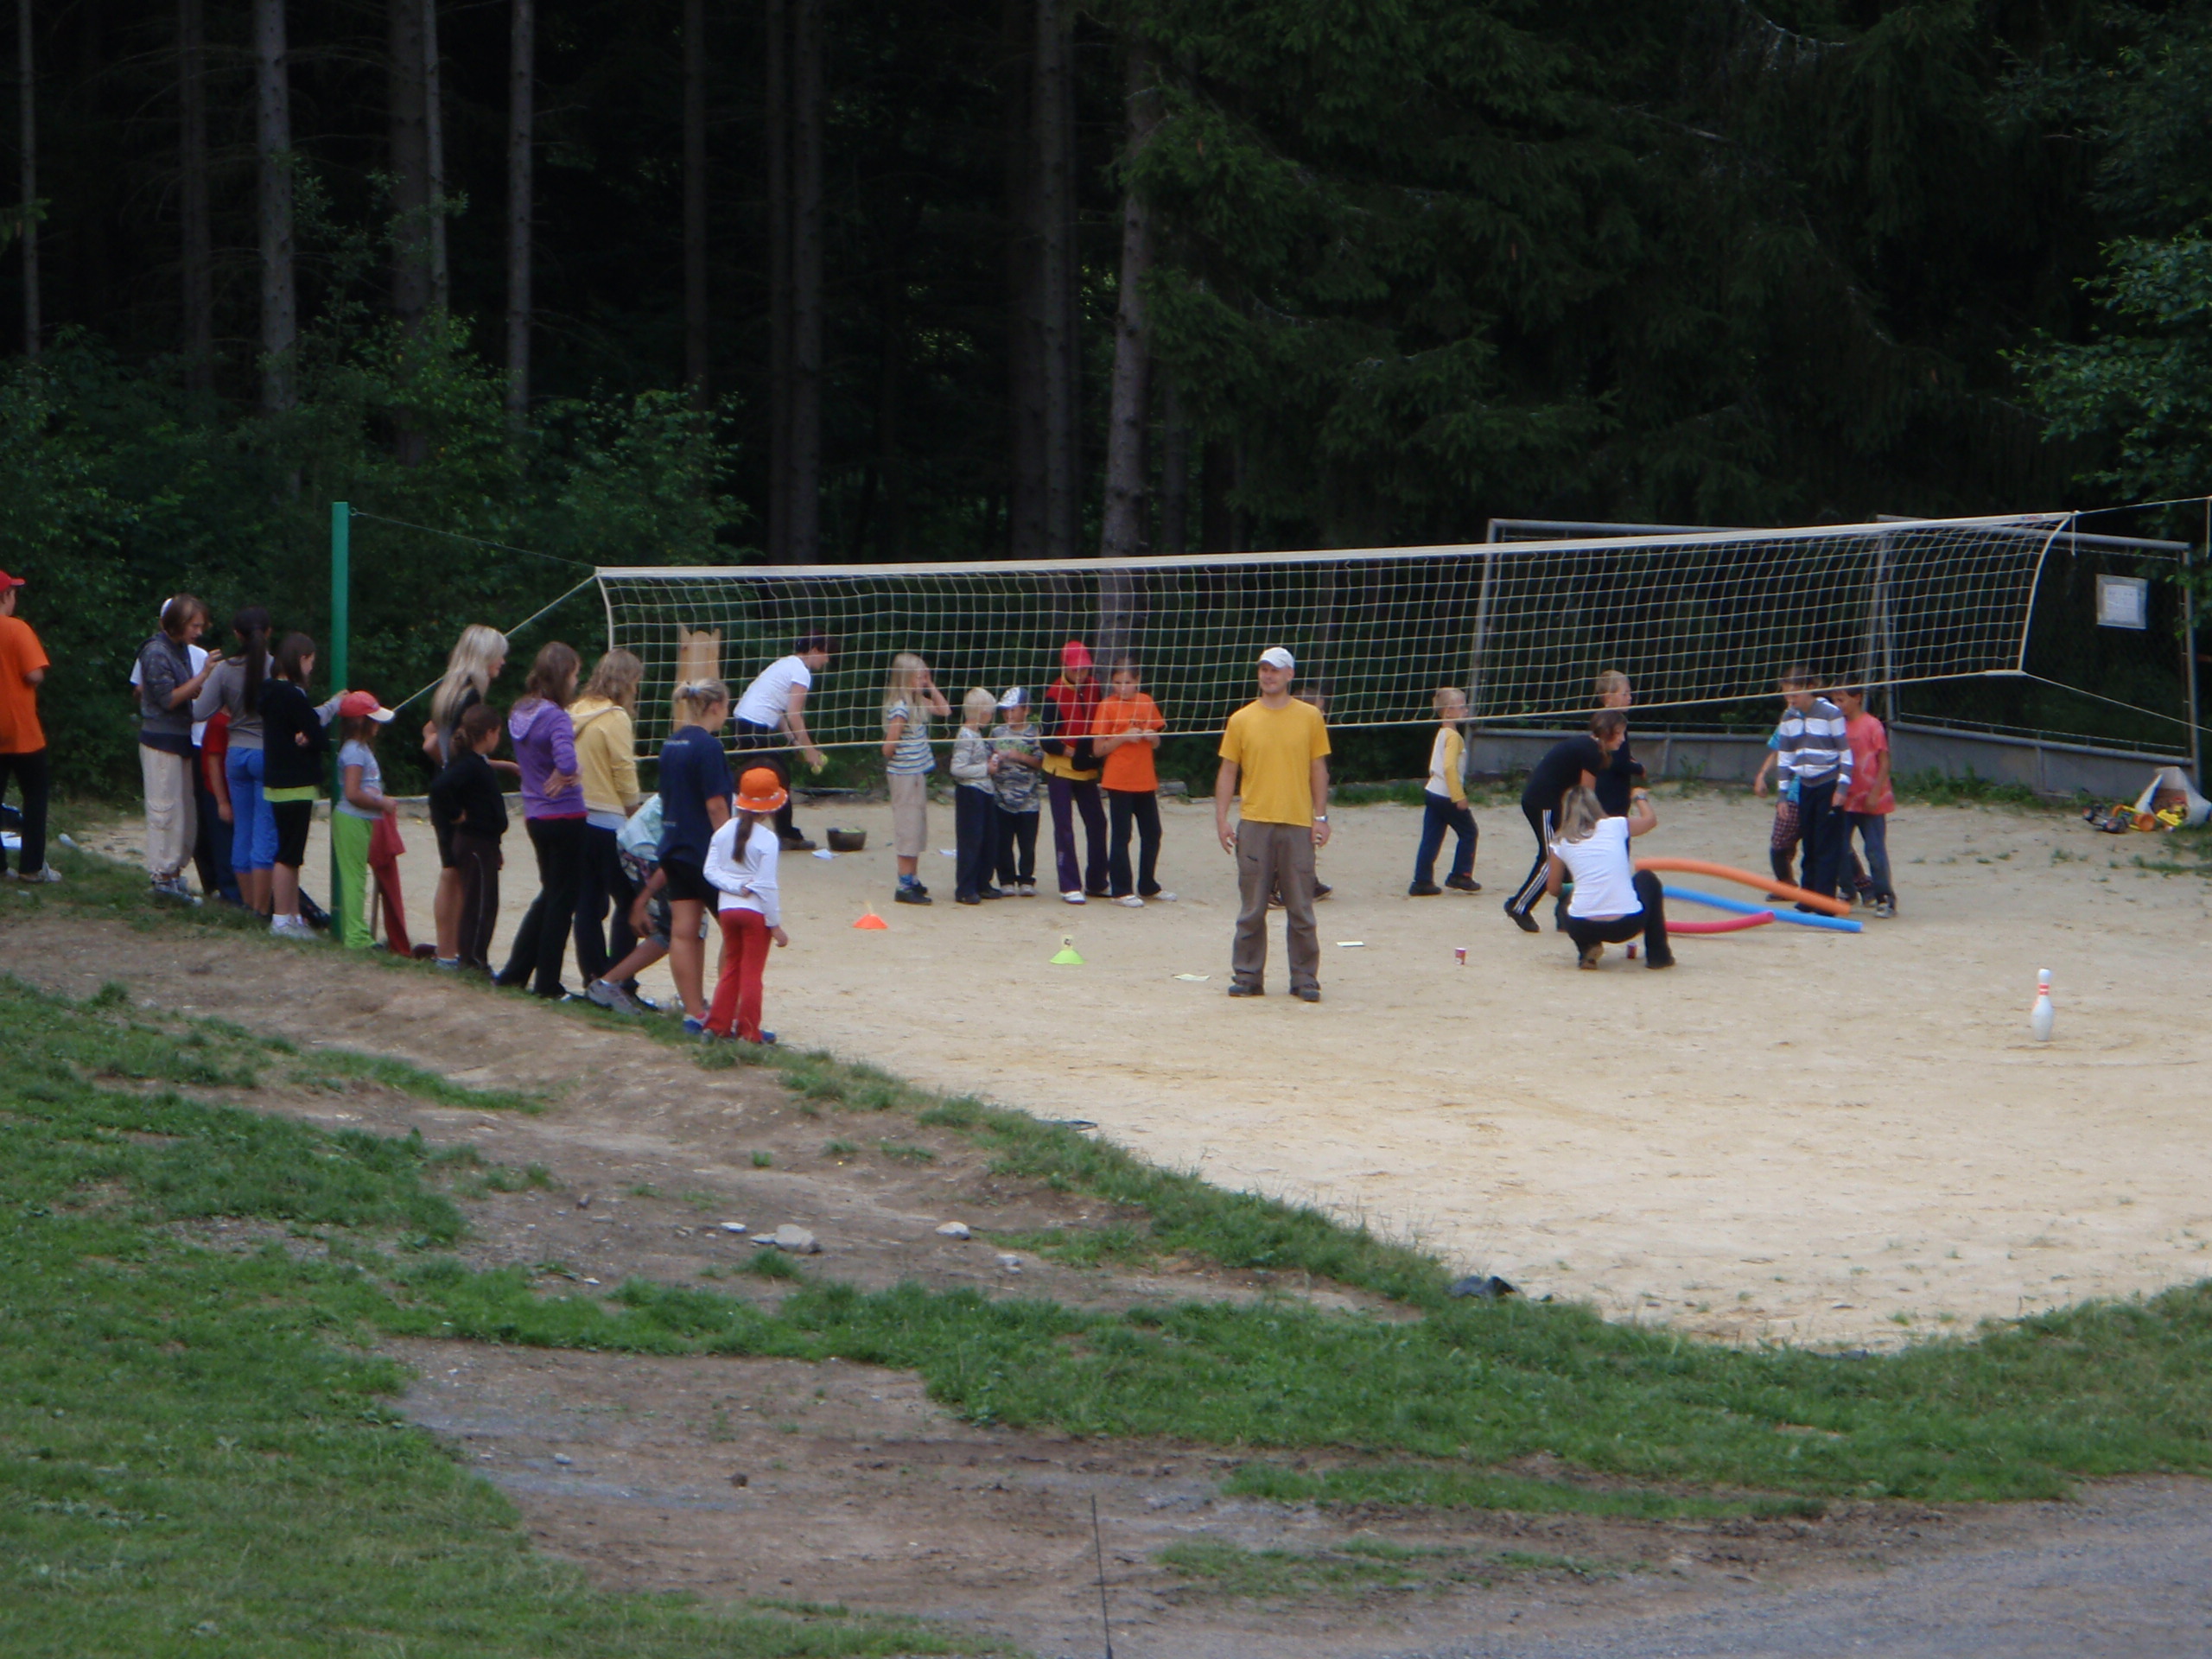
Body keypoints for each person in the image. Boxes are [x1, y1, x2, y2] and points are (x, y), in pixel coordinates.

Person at [1214, 646, 1332, 1001]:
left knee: (1301, 908)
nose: (1268, 675)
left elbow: (1318, 768)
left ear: (1289, 675)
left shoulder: (1310, 717)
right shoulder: (1241, 719)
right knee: (1252, 907)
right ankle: (1248, 975)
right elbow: (1228, 770)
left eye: (1275, 670)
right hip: (1254, 822)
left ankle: (1305, 978)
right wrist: (1222, 819)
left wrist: (1320, 817)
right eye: (1264, 669)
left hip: (1297, 823)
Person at [497, 642, 588, 999]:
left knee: (549, 894)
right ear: (563, 676)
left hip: (536, 813)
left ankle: (516, 971)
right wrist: (571, 773)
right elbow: (566, 761)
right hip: (565, 813)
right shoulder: (556, 716)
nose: (577, 681)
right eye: (575, 674)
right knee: (562, 902)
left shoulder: (520, 710)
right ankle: (548, 983)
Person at [422, 626, 513, 965]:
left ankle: (448, 950)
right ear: (485, 657)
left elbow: (430, 740)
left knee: (451, 871)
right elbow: (464, 754)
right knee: (457, 876)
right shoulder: (470, 696)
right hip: (459, 797)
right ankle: (451, 952)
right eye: (498, 655)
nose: (502, 662)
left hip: (447, 783)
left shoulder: (448, 691)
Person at [658, 678, 736, 1032]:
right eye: (727, 706)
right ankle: (725, 1013)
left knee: (683, 932)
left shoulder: (671, 744)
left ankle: (695, 1013)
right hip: (706, 850)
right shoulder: (709, 746)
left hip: (674, 846)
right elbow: (716, 804)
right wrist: (733, 848)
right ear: (715, 706)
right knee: (736, 931)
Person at [1503, 709, 1623, 932]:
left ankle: (1567, 915)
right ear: (1608, 732)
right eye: (1620, 733)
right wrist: (1601, 824)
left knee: (1566, 853)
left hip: (1551, 803)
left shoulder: (1590, 748)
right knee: (1552, 856)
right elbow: (1586, 797)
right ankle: (1519, 906)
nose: (1623, 739)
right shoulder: (1592, 752)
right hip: (1542, 803)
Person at [193, 606, 276, 914]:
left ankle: (246, 902)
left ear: (236, 635)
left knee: (242, 831)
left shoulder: (225, 670)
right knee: (265, 832)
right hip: (267, 752)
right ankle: (263, 908)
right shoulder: (276, 667)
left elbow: (200, 711)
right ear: (269, 633)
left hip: (236, 752)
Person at [137, 595, 220, 901]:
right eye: (194, 626)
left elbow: (183, 692)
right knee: (165, 809)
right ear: (178, 623)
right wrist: (204, 675)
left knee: (184, 811)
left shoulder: (180, 649)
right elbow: (168, 698)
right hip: (161, 742)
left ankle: (174, 872)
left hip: (180, 739)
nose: (199, 632)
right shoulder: (156, 652)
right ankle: (161, 875)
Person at [570, 649, 645, 988]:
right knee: (628, 900)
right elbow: (623, 769)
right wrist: (634, 811)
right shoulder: (615, 717)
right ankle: (618, 978)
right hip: (608, 818)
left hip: (577, 814)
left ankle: (593, 974)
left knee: (587, 902)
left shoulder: (575, 710)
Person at [702, 766, 791, 1045]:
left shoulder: (723, 832)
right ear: (771, 808)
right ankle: (749, 1032)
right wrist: (774, 924)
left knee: (731, 968)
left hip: (727, 909)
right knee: (752, 974)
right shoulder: (767, 840)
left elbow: (709, 871)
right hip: (755, 914)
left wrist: (733, 887)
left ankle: (716, 1026)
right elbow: (766, 886)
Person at [259, 631, 340, 938]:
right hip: (294, 782)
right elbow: (317, 735)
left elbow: (304, 724)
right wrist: (312, 734)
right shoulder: (292, 694)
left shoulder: (271, 692)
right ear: (301, 659)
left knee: (292, 854)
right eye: (310, 663)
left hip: (278, 781)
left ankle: (293, 916)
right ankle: (282, 919)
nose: (311, 669)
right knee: (288, 854)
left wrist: (308, 730)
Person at [1542, 783, 1673, 970]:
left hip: (1582, 926)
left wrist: (1574, 889)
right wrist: (1639, 798)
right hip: (1627, 924)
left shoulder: (1560, 840)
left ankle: (1587, 949)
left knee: (1567, 902)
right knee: (1647, 878)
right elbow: (1650, 821)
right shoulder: (1616, 825)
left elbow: (1553, 889)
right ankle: (1659, 955)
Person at [733, 632, 834, 850]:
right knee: (774, 778)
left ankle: (773, 831)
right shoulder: (801, 672)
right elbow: (794, 715)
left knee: (766, 777)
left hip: (745, 722)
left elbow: (778, 710)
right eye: (826, 654)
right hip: (755, 725)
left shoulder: (786, 663)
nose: (827, 660)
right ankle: (786, 835)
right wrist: (810, 750)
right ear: (815, 650)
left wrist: (793, 741)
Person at [429, 703, 509, 972]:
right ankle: (472, 960)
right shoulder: (469, 765)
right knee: (479, 903)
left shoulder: (476, 763)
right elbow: (440, 788)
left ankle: (474, 957)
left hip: (485, 842)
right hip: (475, 841)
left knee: (485, 900)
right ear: (489, 733)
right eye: (498, 733)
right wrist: (455, 815)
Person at [1764, 667, 1853, 905]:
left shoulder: (1830, 713)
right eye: (1787, 694)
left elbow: (1845, 752)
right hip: (1805, 784)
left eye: (1795, 694)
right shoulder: (1789, 717)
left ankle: (1825, 902)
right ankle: (1807, 896)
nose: (1791, 699)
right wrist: (1782, 795)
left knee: (1827, 844)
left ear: (1810, 688)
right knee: (1809, 843)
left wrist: (1841, 788)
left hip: (1828, 783)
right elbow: (1785, 758)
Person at [589, 794, 681, 1013]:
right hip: (645, 849)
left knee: (690, 927)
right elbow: (675, 859)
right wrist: (642, 900)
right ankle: (608, 984)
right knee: (675, 928)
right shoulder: (718, 807)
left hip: (638, 842)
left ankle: (692, 1001)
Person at [1094, 658, 1169, 907]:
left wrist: (1152, 736)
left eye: (1127, 682)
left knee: (1152, 833)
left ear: (1137, 681)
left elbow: (1157, 742)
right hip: (1119, 780)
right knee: (1121, 835)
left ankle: (1148, 885)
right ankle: (1121, 889)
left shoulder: (1146, 702)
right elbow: (1098, 749)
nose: (1122, 688)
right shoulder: (1107, 706)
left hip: (1144, 779)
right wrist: (1123, 736)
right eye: (1117, 683)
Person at [1040, 640, 1109, 904]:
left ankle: (1097, 881)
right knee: (1064, 827)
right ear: (1064, 667)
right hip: (1060, 767)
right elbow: (1046, 739)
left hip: (1086, 767)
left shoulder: (1094, 687)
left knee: (1098, 823)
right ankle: (1069, 885)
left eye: (1084, 669)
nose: (1080, 674)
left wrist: (1095, 752)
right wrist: (1071, 751)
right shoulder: (1054, 694)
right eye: (1075, 669)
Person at [332, 691, 399, 949]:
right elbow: (352, 793)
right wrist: (381, 803)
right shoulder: (354, 752)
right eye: (374, 719)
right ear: (362, 722)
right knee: (355, 877)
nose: (378, 725)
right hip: (352, 819)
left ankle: (355, 931)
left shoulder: (359, 749)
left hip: (360, 819)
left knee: (356, 875)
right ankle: (356, 936)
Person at [881, 652, 949, 906]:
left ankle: (913, 878)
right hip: (904, 775)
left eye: (925, 676)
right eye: (920, 677)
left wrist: (930, 685)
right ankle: (904, 885)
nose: (923, 680)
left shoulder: (918, 702)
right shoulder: (900, 708)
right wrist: (901, 755)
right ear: (906, 678)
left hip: (916, 773)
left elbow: (945, 710)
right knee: (908, 830)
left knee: (917, 829)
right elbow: (888, 747)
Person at [0, 568, 54, 884]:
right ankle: (31, 868)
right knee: (35, 796)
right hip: (21, 731)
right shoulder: (17, 629)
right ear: (6, 596)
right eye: (13, 592)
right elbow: (34, 674)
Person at [1410, 685, 1479, 896]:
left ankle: (1422, 881)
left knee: (1431, 838)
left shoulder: (1442, 733)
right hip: (1447, 794)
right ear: (1448, 711)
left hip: (1433, 791)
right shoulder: (1454, 737)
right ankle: (1461, 874)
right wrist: (1459, 796)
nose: (1465, 710)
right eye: (1461, 707)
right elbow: (1449, 767)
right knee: (1469, 832)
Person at [1836, 684, 1897, 918]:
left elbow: (1884, 761)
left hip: (1871, 799)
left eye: (1842, 700)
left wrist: (1875, 793)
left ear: (1857, 698)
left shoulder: (1872, 725)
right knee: (1839, 846)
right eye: (1835, 701)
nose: (1838, 705)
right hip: (1845, 797)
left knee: (1874, 849)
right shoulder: (1837, 725)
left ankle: (1885, 897)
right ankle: (1849, 889)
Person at [949, 686, 1004, 905]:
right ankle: (965, 888)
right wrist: (985, 769)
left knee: (989, 838)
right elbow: (957, 768)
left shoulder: (977, 734)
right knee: (971, 840)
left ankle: (983, 883)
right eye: (990, 712)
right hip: (970, 792)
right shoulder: (965, 736)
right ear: (981, 712)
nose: (992, 716)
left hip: (985, 791)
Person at [989, 687, 1044, 896]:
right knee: (1003, 842)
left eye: (1013, 710)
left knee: (1027, 843)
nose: (1008, 714)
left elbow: (1040, 762)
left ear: (1026, 710)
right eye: (1005, 710)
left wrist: (1019, 756)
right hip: (1001, 797)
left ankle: (1027, 879)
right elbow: (989, 756)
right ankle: (1006, 880)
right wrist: (993, 761)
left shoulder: (1034, 733)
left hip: (1029, 800)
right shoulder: (997, 733)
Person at [1592, 669, 1647, 817]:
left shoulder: (1604, 718)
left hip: (1607, 789)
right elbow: (1618, 762)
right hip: (1611, 791)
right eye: (1624, 694)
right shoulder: (1612, 723)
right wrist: (1638, 768)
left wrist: (1631, 760)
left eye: (1630, 693)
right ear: (1608, 697)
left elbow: (1621, 754)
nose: (1630, 698)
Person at [1751, 731, 1802, 892]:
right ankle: (1786, 884)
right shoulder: (1787, 723)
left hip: (1814, 792)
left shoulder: (1825, 720)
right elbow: (1776, 752)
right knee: (1780, 843)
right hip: (1791, 794)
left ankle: (1858, 883)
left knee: (1825, 845)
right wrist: (1762, 775)